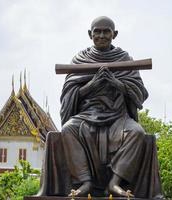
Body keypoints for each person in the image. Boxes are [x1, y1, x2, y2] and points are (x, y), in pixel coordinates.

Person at [59, 16, 162, 198]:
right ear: (90, 34)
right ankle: (85, 182)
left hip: (117, 117)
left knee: (137, 132)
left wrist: (115, 82)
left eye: (106, 31)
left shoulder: (124, 59)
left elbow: (139, 94)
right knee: (68, 129)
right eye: (97, 31)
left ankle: (114, 183)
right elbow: (69, 94)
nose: (101, 35)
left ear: (114, 34)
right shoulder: (80, 59)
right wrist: (93, 84)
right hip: (87, 116)